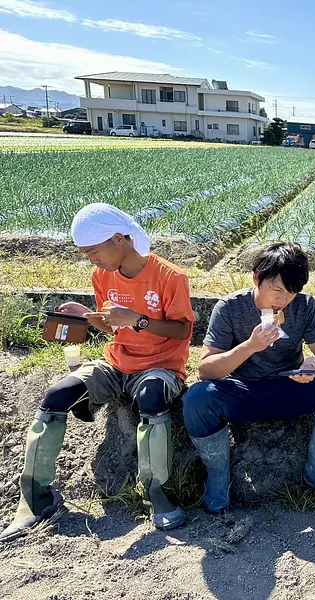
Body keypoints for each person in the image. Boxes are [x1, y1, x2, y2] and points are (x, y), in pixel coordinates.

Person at [0, 203, 195, 542]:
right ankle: (35, 501)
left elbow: (182, 331)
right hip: (116, 363)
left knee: (150, 398)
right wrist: (87, 316)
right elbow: (113, 329)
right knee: (56, 397)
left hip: (161, 366)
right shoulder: (102, 275)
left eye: (93, 251)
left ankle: (156, 493)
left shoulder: (169, 276)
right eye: (85, 253)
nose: (91, 259)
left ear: (119, 239)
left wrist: (139, 318)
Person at [182, 242, 315, 513]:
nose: (283, 300)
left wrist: (314, 365)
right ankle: (218, 478)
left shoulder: (305, 306)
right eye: (277, 290)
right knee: (198, 398)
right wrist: (249, 346)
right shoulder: (229, 308)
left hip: (289, 387)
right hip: (243, 391)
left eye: (292, 292)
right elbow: (206, 369)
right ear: (256, 279)